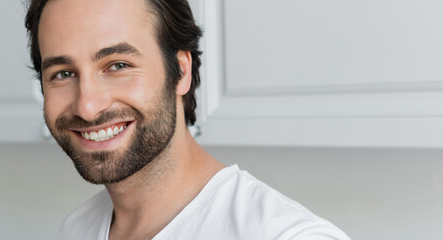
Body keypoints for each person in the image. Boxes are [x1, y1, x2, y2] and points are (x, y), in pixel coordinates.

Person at [25, 0, 351, 239]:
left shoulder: (286, 235)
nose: (87, 107)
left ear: (181, 71)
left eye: (118, 65)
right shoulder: (75, 229)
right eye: (63, 73)